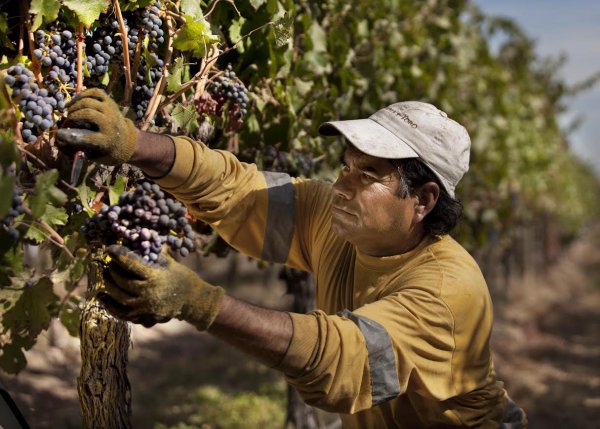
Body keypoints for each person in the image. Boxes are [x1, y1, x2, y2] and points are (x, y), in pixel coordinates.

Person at [57, 88, 527, 428]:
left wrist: (198, 302)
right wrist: (135, 143)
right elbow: (236, 188)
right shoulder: (344, 221)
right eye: (346, 166)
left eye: (369, 175)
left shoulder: (448, 291)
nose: (342, 186)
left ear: (422, 201)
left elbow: (339, 362)